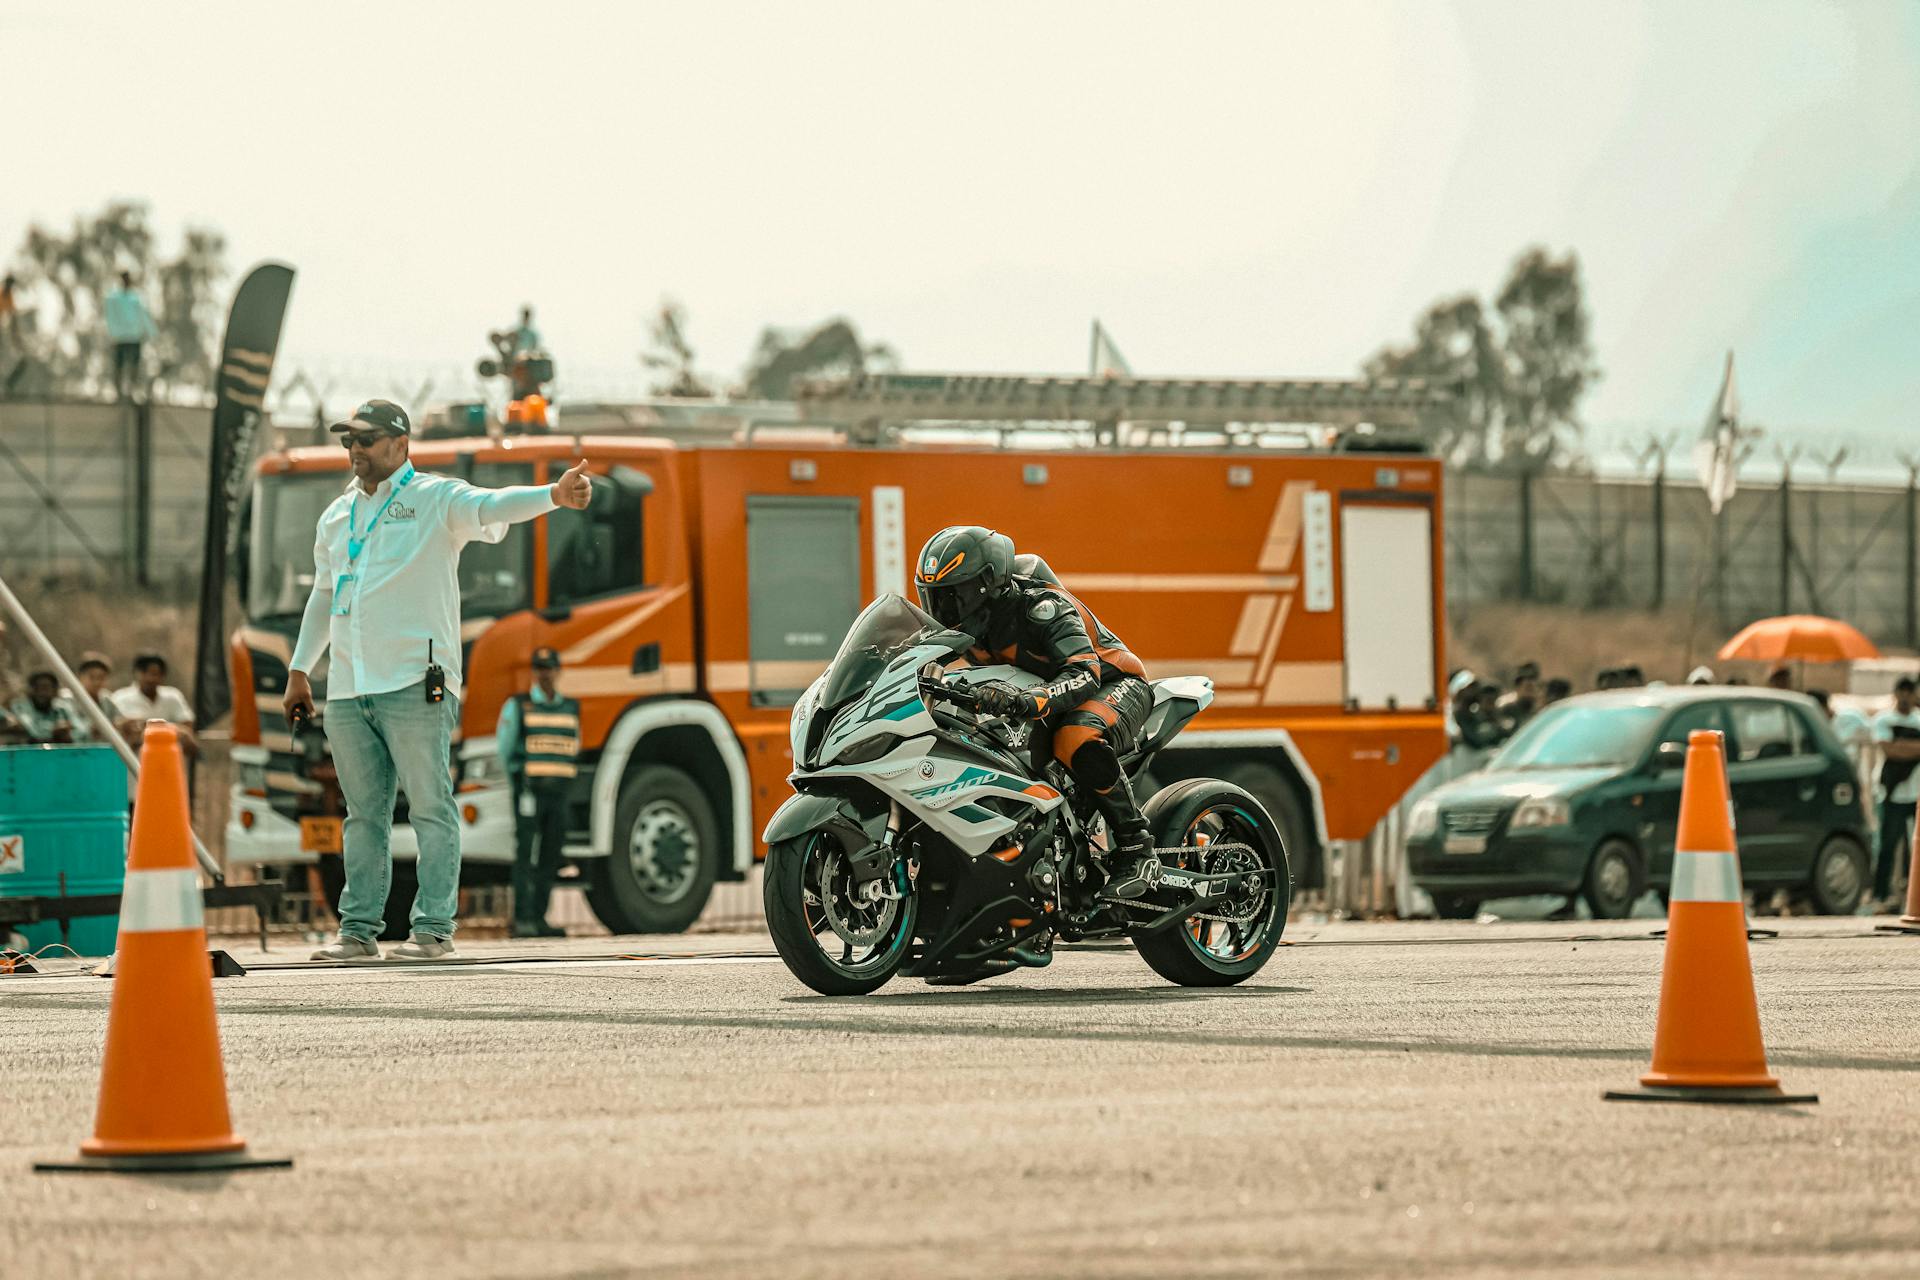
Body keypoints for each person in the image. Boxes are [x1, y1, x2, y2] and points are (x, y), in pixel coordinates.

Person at [286, 399, 591, 961]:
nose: (355, 450)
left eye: (367, 439)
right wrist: (300, 668)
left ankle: (432, 930)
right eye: (347, 440)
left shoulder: (433, 498)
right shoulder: (337, 515)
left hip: (413, 682)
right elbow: (324, 595)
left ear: (400, 445)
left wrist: (552, 494)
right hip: (350, 688)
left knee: (430, 805)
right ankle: (357, 933)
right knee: (362, 815)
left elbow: (492, 504)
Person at [912, 526, 1159, 898]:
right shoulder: (962, 629)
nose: (944, 611)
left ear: (989, 584)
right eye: (935, 599)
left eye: (955, 597)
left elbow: (1083, 673)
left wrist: (1028, 700)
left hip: (1114, 684)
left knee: (1075, 737)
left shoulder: (1041, 608)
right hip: (1041, 699)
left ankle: (1137, 848)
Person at [496, 646, 576, 938]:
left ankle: (540, 918)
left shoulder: (570, 707)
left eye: (550, 668)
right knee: (525, 855)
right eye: (541, 668)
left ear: (558, 670)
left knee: (550, 856)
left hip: (559, 793)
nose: (546, 674)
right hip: (530, 792)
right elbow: (504, 749)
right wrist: (518, 782)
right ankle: (523, 918)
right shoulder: (519, 705)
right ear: (535, 672)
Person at [1870, 677, 1920, 912]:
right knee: (1888, 846)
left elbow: (1895, 747)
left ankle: (1909, 897)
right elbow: (1887, 749)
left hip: (1916, 793)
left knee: (1914, 850)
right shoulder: (1884, 719)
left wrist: (1901, 745)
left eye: (1909, 692)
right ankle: (1880, 894)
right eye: (1902, 691)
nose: (1905, 697)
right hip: (1891, 793)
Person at [109, 654, 196, 758]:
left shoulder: (172, 696)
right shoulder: (121, 698)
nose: (149, 678)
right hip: (133, 760)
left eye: (154, 674)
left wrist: (149, 727)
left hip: (167, 757)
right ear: (136, 673)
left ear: (162, 675)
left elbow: (187, 727)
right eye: (144, 673)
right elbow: (114, 728)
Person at [102, 271, 157, 401]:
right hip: (120, 338)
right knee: (119, 366)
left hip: (134, 337)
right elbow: (110, 317)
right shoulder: (113, 298)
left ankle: (132, 391)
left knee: (134, 366)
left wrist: (152, 333)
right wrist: (112, 334)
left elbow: (143, 315)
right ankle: (119, 393)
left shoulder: (135, 298)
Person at [61, 652, 118, 742]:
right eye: (92, 677)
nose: (97, 682)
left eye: (101, 678)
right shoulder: (66, 699)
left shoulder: (106, 699)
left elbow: (117, 721)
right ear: (80, 677)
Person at [8, 672, 75, 744]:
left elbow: (80, 731)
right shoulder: (20, 706)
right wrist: (54, 733)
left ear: (55, 691)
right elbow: (33, 732)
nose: (41, 693)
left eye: (45, 688)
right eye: (37, 688)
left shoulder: (62, 707)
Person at [1495, 661, 1541, 732]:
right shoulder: (1506, 707)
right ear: (1517, 687)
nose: (1531, 692)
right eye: (1528, 688)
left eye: (1533, 688)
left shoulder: (1541, 710)